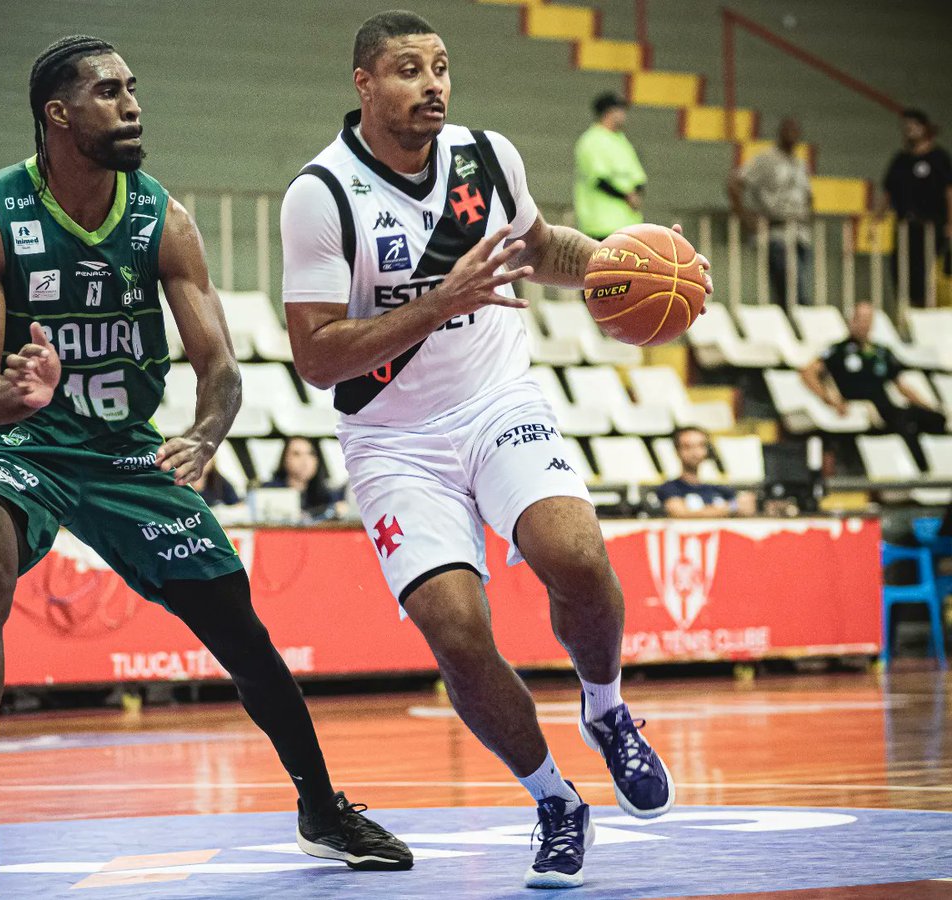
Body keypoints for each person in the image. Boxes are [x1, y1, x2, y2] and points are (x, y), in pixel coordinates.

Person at [0, 35, 410, 899]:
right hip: (20, 442)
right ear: (58, 114)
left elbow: (220, 367)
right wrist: (23, 395)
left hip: (122, 450)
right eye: (109, 92)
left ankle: (321, 808)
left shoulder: (164, 219)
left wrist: (207, 431)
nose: (132, 104)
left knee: (239, 627)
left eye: (134, 88)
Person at [281, 11, 709, 889]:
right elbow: (318, 357)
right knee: (459, 635)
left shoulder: (486, 155)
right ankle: (555, 801)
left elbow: (539, 246)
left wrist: (631, 270)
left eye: (441, 68)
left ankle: (607, 710)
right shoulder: (319, 196)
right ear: (363, 84)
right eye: (408, 70)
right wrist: (442, 299)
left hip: (495, 401)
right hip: (393, 439)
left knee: (578, 557)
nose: (432, 84)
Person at [800, 301, 946, 467]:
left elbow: (901, 386)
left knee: (935, 419)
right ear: (851, 321)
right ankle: (922, 470)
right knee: (905, 424)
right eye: (860, 319)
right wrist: (829, 398)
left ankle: (941, 469)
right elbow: (808, 372)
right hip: (865, 407)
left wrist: (926, 405)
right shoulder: (838, 350)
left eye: (868, 319)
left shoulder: (881, 352)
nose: (864, 324)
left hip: (887, 406)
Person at [728, 117, 812, 307]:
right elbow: (735, 182)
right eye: (788, 130)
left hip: (800, 234)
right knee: (790, 288)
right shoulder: (766, 159)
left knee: (798, 283)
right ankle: (795, 316)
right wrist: (744, 216)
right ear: (780, 133)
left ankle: (798, 315)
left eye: (795, 131)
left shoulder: (800, 164)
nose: (792, 134)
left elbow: (808, 196)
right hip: (776, 233)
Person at [879, 108, 952, 306]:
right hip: (905, 228)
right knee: (902, 276)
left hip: (931, 229)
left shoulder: (939, 158)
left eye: (913, 126)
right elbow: (888, 192)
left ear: (924, 128)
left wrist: (950, 225)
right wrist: (876, 220)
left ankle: (925, 314)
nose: (909, 130)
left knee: (926, 277)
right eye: (906, 127)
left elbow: (949, 193)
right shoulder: (900, 160)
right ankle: (908, 316)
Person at [573, 91, 646, 241]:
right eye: (620, 110)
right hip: (600, 224)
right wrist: (627, 197)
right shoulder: (591, 140)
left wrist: (636, 193)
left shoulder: (621, 140)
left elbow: (638, 176)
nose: (624, 114)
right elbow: (599, 180)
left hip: (628, 223)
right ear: (609, 112)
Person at [656, 427, 757, 518]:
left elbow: (746, 508)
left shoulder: (718, 489)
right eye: (688, 447)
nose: (695, 452)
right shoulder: (670, 488)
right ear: (677, 451)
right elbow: (680, 513)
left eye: (700, 446)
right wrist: (731, 507)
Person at [262, 435, 341, 517]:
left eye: (310, 454)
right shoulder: (269, 492)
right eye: (297, 454)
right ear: (284, 460)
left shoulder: (328, 496)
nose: (305, 461)